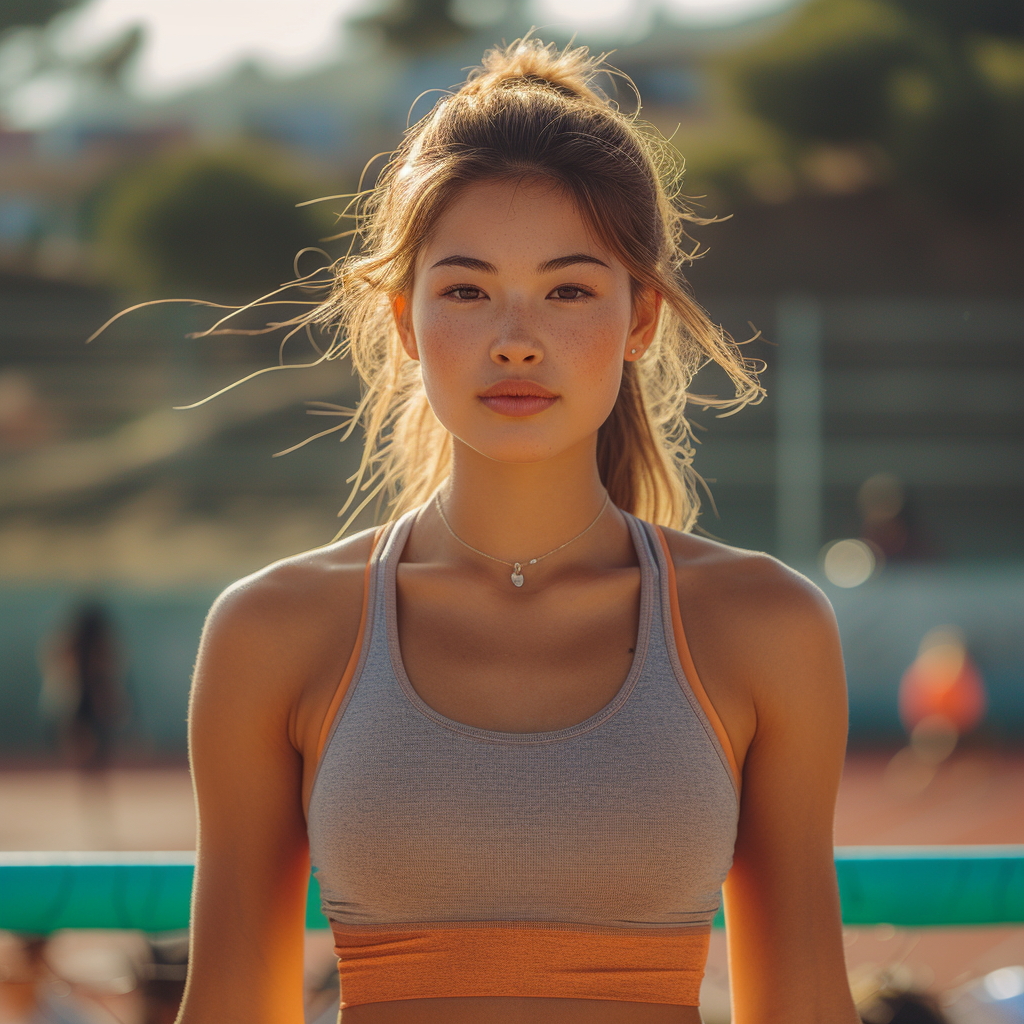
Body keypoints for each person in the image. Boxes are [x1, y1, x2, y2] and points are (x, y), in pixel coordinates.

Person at [177, 37, 859, 1024]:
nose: (515, 336)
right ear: (408, 322)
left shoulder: (765, 626)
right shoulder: (271, 630)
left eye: (569, 288)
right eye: (465, 288)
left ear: (640, 320)